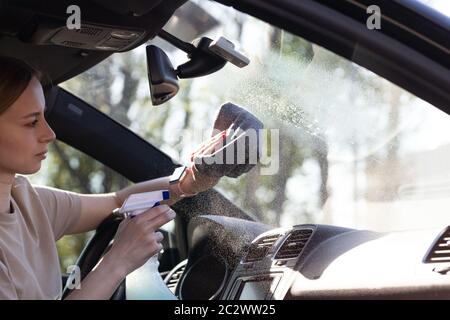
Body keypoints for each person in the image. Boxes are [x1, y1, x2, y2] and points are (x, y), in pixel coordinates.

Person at [0, 56, 222, 299]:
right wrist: (118, 260)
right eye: (32, 122)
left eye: (44, 116)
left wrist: (187, 181)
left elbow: (119, 203)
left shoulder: (27, 201)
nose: (49, 133)